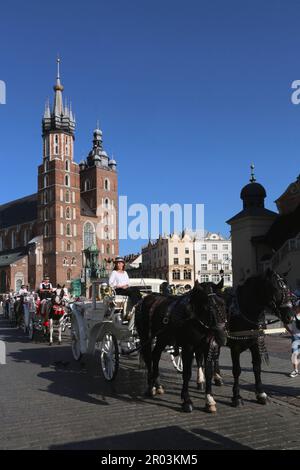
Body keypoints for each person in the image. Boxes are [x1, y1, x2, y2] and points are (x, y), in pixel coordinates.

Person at [285, 300, 300, 378]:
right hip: (295, 338)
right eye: (297, 307)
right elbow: (285, 323)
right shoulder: (292, 317)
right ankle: (295, 371)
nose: (297, 308)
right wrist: (290, 331)